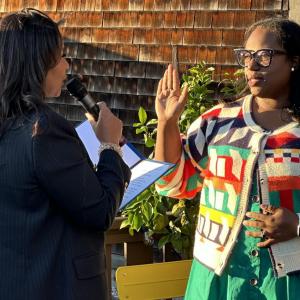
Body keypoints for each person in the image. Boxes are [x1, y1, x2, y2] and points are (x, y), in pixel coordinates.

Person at [155, 17, 300, 299]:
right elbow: (172, 184)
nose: (252, 65)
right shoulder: (218, 123)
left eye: (265, 55)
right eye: (246, 56)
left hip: (287, 283)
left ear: (294, 60)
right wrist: (166, 124)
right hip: (217, 280)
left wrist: (297, 225)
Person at [0, 8, 130, 300]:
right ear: (39, 64)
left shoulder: (9, 123)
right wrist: (109, 147)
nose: (66, 65)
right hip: (58, 287)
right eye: (60, 56)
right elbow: (98, 212)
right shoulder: (43, 130)